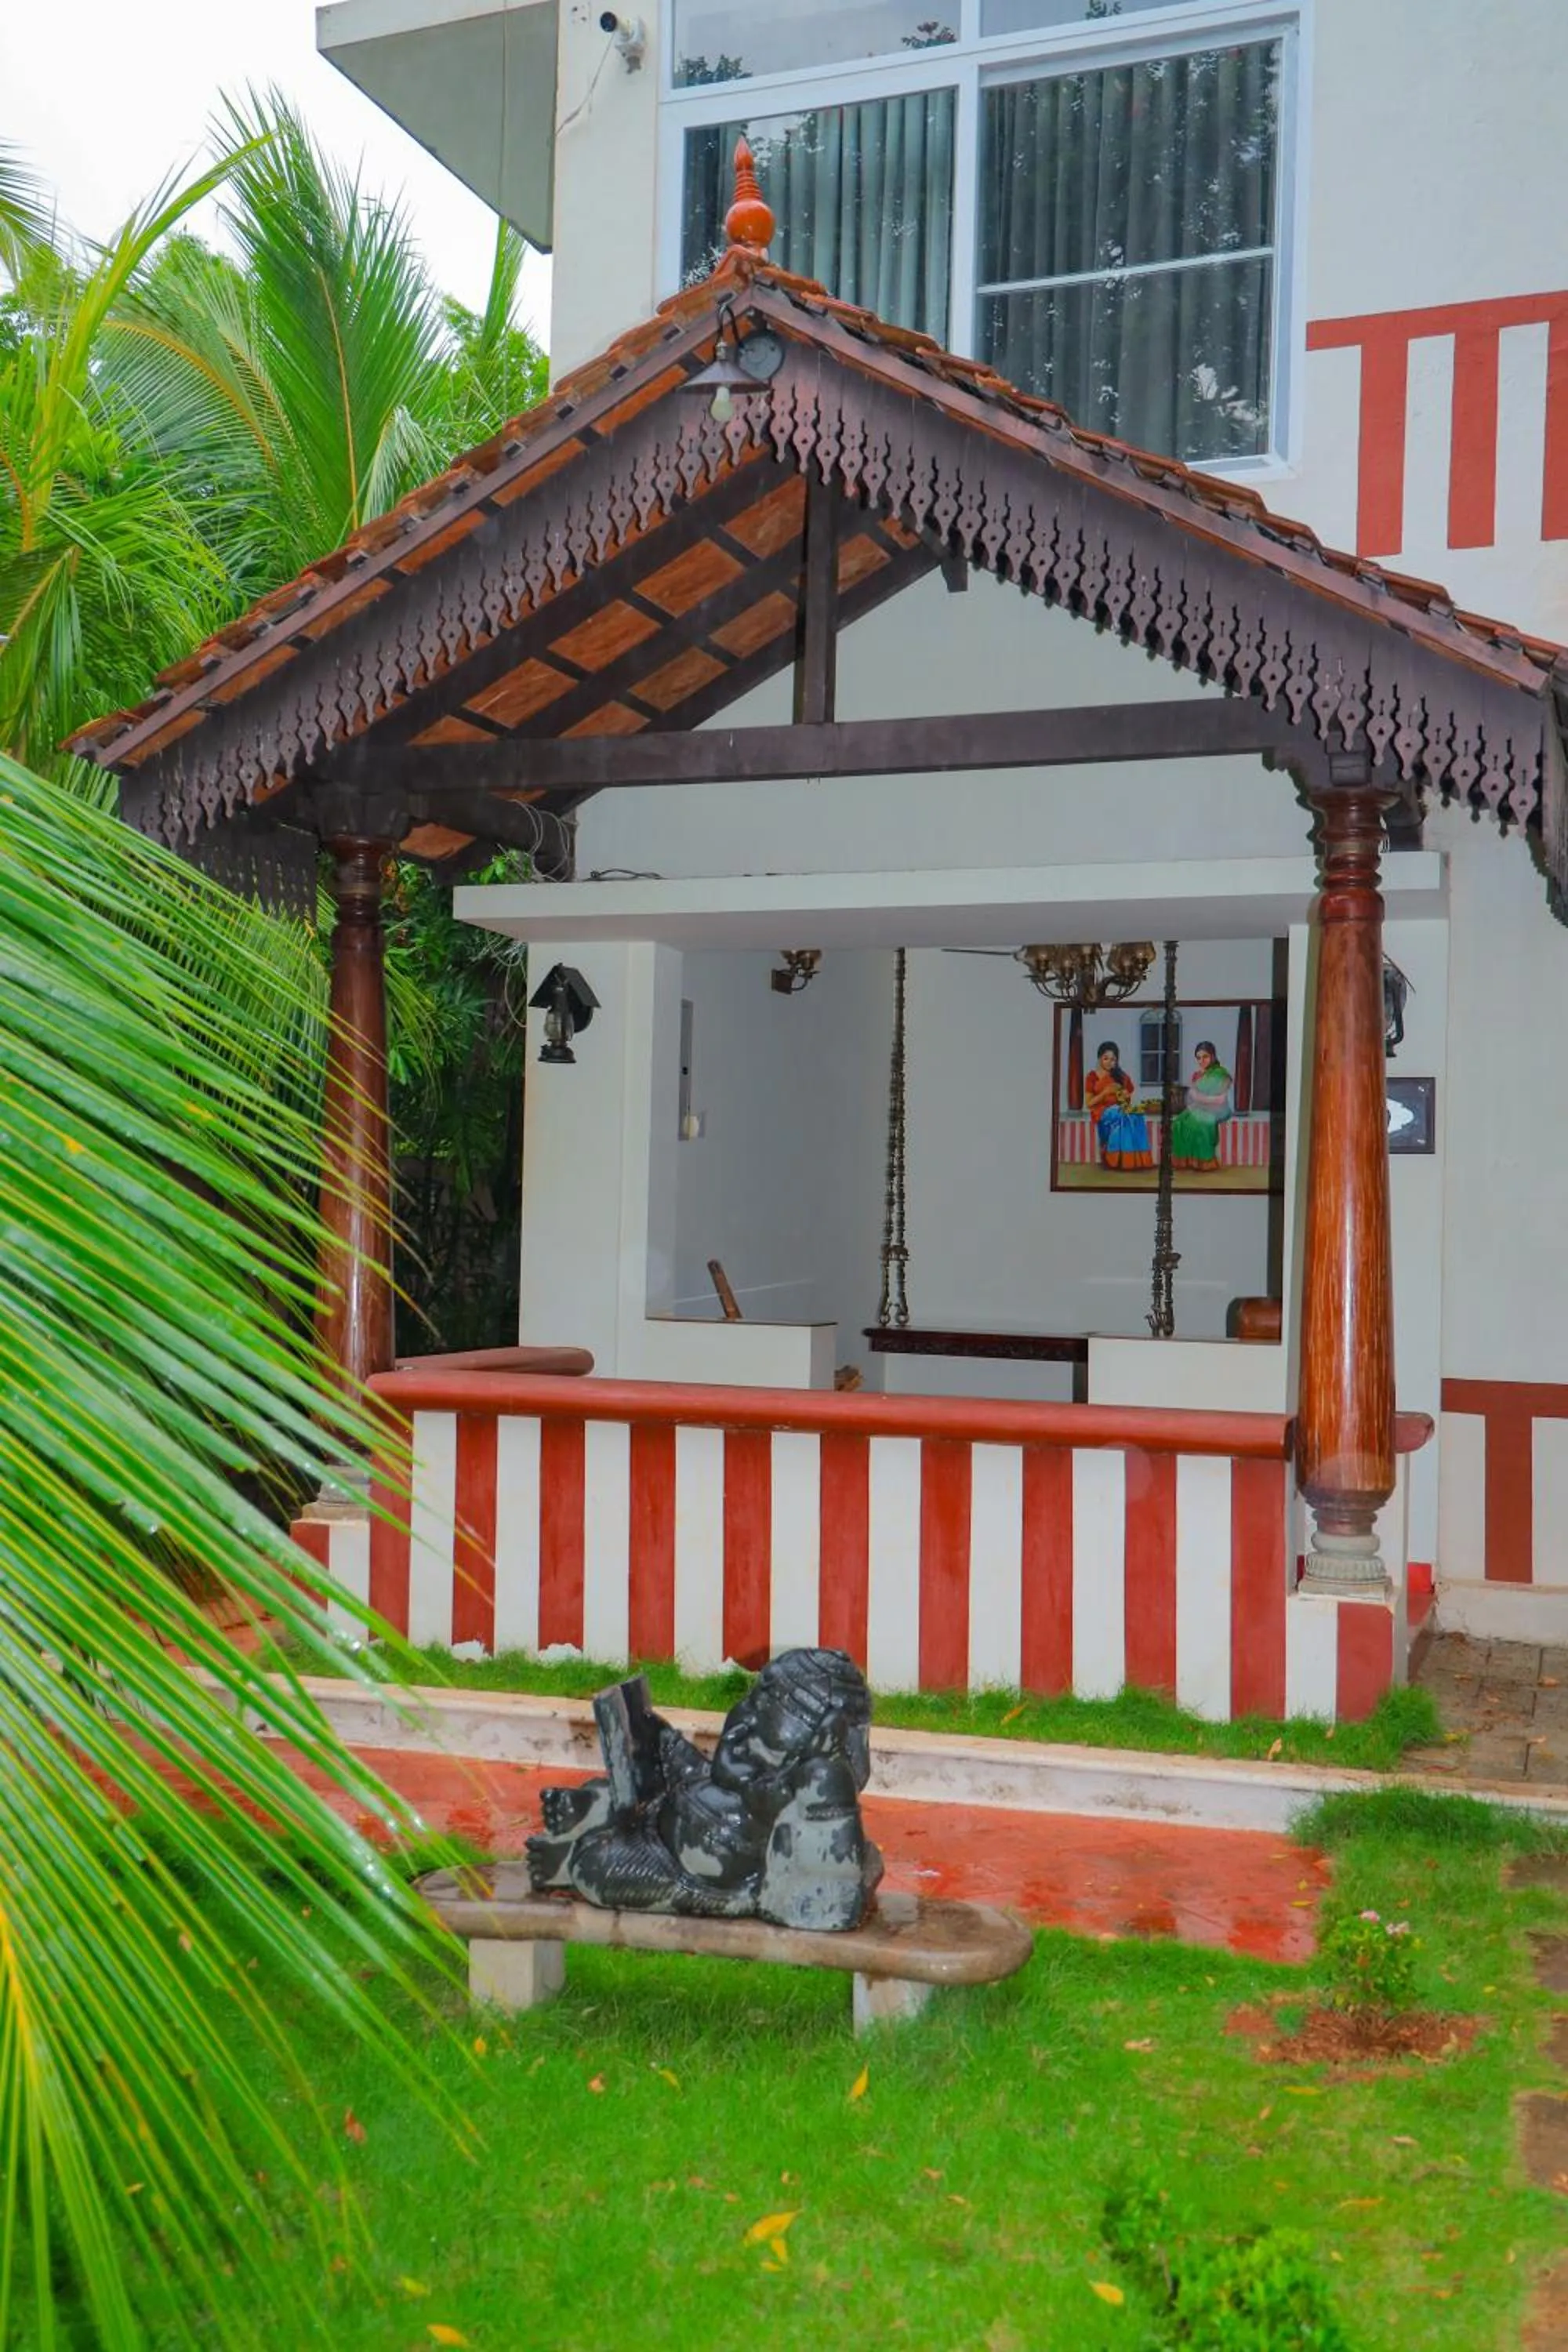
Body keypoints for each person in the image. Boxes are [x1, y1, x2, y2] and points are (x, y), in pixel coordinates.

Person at [526, 1648, 884, 1932]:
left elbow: (766, 1797)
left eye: (770, 1702)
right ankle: (601, 1810)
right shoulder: (756, 1735)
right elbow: (722, 1767)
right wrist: (659, 1740)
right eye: (758, 1695)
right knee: (621, 1785)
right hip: (681, 1802)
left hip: (698, 1869)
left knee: (594, 1866)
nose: (749, 1711)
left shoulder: (807, 1781)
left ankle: (578, 1847)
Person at [1083, 1040, 1152, 1171]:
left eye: (1113, 1059)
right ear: (1099, 1059)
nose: (1110, 1062)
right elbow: (1089, 1103)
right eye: (1106, 1058)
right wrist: (1105, 1093)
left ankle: (1136, 1160)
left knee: (1136, 1115)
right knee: (1124, 1114)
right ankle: (1115, 1159)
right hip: (1102, 1112)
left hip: (1119, 1109)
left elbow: (1129, 1093)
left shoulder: (1120, 1075)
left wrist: (1126, 1095)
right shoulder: (1092, 1077)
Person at [1170, 1040, 1233, 1170]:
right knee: (1178, 1123)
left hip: (1217, 1109)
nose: (1201, 1061)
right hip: (1198, 1107)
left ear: (1213, 1056)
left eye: (1205, 1057)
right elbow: (1192, 1096)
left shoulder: (1221, 1074)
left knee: (1199, 1125)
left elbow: (1220, 1100)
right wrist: (1196, 1100)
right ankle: (1186, 1161)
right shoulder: (1197, 1075)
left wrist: (1200, 1098)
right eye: (1198, 1058)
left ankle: (1204, 1162)